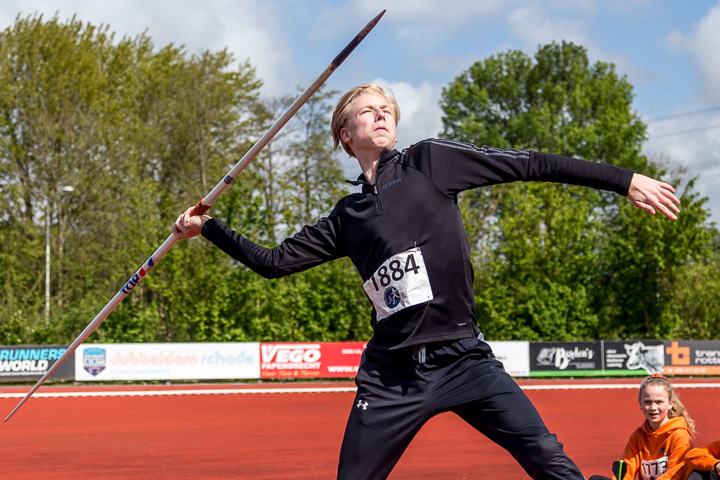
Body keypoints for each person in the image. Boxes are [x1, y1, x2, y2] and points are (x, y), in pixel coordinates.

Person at [174, 84, 681, 479]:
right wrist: (208, 227)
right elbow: (274, 262)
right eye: (367, 109)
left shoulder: (430, 163)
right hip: (393, 377)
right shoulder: (346, 216)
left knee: (546, 454)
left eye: (387, 108)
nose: (382, 113)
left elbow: (530, 164)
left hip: (463, 359)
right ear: (345, 135)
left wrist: (624, 181)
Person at [589, 374, 695, 480]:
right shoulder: (638, 436)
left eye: (659, 402)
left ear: (670, 404)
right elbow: (627, 468)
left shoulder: (679, 435)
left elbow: (675, 474)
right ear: (640, 404)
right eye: (647, 402)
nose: (653, 408)